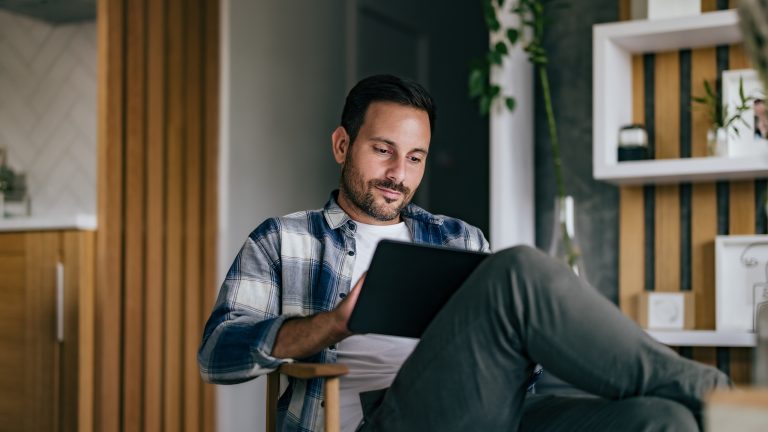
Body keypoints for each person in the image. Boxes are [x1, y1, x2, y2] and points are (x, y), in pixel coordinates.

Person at [198, 74, 729, 432]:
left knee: (661, 421)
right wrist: (332, 325)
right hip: (375, 419)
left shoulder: (458, 239)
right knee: (518, 270)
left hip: (491, 409)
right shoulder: (283, 240)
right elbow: (217, 355)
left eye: (414, 157)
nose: (397, 174)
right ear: (342, 145)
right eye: (382, 150)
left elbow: (514, 361)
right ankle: (718, 394)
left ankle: (697, 400)